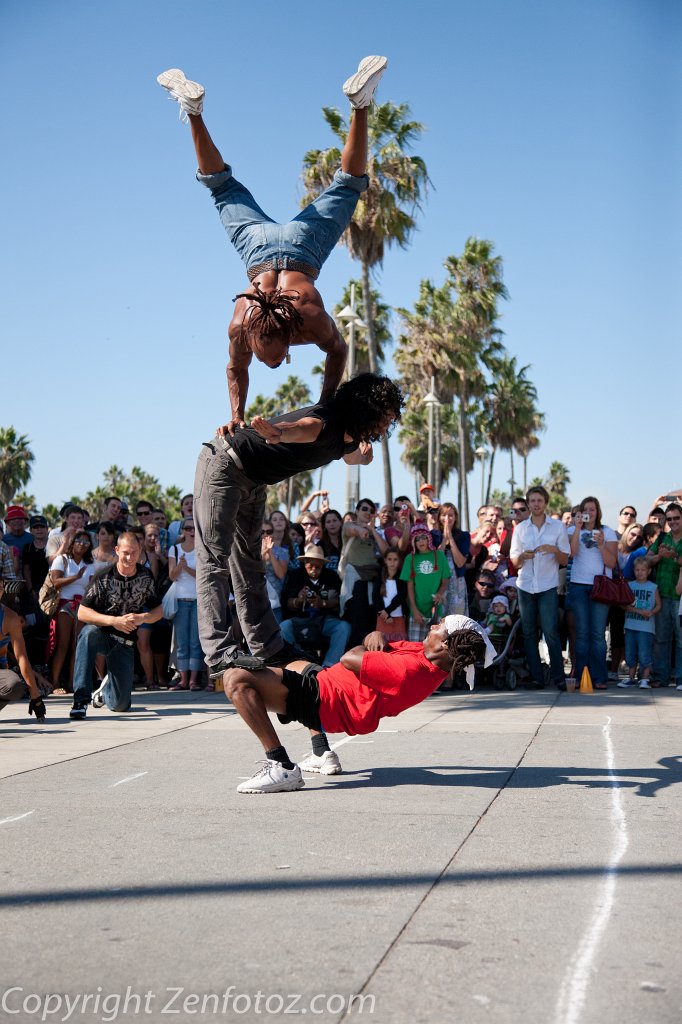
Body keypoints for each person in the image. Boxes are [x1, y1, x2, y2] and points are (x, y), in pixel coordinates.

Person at [157, 57, 387, 428]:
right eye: (271, 360)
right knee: (220, 186)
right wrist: (317, 404)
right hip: (262, 246)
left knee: (349, 183)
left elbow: (334, 351)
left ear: (291, 333)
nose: (270, 362)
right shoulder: (246, 325)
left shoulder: (292, 320)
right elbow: (240, 367)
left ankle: (360, 106)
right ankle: (194, 112)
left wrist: (323, 403)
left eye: (269, 359)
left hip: (297, 249)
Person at [193, 372, 404, 681]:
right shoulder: (327, 423)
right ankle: (219, 652)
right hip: (225, 465)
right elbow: (302, 429)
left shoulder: (346, 438)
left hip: (253, 480)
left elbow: (354, 457)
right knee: (214, 559)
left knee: (250, 565)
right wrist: (277, 432)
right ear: (367, 409)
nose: (387, 427)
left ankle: (267, 646)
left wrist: (365, 458)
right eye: (384, 419)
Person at [223, 616, 493, 794]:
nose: (433, 625)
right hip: (330, 686)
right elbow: (378, 645)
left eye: (439, 626)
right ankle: (321, 753)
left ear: (445, 643)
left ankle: (280, 766)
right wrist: (376, 635)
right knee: (291, 663)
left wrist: (373, 641)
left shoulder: (412, 670)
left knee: (236, 679)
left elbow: (350, 658)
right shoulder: (422, 654)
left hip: (325, 700)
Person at [69, 533, 163, 719]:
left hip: (125, 642)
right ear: (117, 550)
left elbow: (158, 611)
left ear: (140, 551)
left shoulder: (146, 576)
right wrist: (114, 621)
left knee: (121, 706)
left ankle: (106, 691)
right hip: (101, 634)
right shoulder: (103, 576)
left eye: (134, 553)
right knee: (87, 635)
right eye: (125, 553)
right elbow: (82, 613)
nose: (129, 558)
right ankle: (80, 700)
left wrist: (143, 617)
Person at [510, 485, 570, 691]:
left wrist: (553, 549)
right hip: (525, 585)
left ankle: (558, 677)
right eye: (532, 501)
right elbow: (514, 561)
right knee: (528, 633)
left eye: (539, 500)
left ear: (545, 503)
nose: (536, 504)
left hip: (547, 585)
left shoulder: (558, 527)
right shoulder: (520, 529)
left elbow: (565, 559)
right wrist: (523, 557)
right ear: (528, 504)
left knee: (550, 632)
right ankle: (537, 677)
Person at [566, 497, 618, 689]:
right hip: (579, 585)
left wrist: (602, 545)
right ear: (580, 512)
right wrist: (578, 528)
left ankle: (599, 677)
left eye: (592, 510)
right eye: (585, 509)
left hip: (600, 586)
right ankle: (580, 675)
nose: (589, 513)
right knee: (581, 633)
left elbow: (611, 563)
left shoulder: (608, 532)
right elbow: (571, 554)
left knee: (597, 634)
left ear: (598, 512)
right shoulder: (572, 530)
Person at [280, 544, 350, 667]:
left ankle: (329, 665)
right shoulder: (296, 575)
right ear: (304, 563)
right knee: (284, 627)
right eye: (310, 566)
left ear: (322, 564)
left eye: (318, 567)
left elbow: (336, 601)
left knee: (343, 627)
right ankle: (296, 662)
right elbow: (288, 602)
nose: (314, 569)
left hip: (324, 619)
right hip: (300, 619)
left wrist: (322, 603)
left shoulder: (331, 576)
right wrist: (299, 600)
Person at [48, 531, 96, 694]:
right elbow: (55, 582)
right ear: (72, 542)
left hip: (82, 606)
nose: (82, 544)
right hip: (65, 604)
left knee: (77, 646)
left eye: (86, 542)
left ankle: (73, 683)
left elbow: (91, 587)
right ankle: (54, 683)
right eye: (79, 540)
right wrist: (76, 577)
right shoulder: (62, 560)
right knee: (63, 644)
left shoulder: (90, 563)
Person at [0, 574, 47, 722]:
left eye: (0, 588)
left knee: (14, 686)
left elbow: (21, 657)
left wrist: (35, 696)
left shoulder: (10, 617)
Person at [647, 502, 682, 688]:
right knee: (661, 638)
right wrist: (660, 557)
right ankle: (660, 677)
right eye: (670, 519)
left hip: (680, 596)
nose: (673, 522)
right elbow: (647, 560)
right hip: (661, 594)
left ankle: (680, 678)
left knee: (681, 638)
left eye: (677, 518)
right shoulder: (662, 538)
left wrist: (675, 557)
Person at [168, 517, 204, 691]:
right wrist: (180, 566)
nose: (192, 531)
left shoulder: (202, 550)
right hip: (181, 600)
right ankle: (183, 680)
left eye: (195, 528)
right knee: (182, 642)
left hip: (198, 599)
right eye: (188, 528)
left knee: (196, 642)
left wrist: (185, 568)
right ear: (182, 531)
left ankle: (193, 680)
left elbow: (202, 577)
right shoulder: (174, 549)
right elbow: (172, 576)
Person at [400, 524, 450, 642]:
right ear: (413, 542)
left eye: (423, 537)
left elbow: (445, 581)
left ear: (429, 538)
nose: (421, 541)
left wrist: (439, 594)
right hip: (417, 612)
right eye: (417, 539)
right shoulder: (410, 558)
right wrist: (415, 611)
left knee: (435, 648)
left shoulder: (439, 556)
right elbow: (410, 587)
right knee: (415, 648)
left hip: (435, 612)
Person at [618, 557, 660, 689]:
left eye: (643, 570)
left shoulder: (653, 587)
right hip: (630, 625)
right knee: (630, 652)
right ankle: (630, 678)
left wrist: (652, 612)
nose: (640, 572)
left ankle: (644, 679)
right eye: (637, 570)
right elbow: (623, 604)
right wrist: (640, 612)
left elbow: (659, 605)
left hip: (646, 628)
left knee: (644, 653)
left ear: (649, 571)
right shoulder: (630, 586)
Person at [437, 503, 470, 616]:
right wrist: (444, 539)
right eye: (443, 515)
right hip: (438, 583)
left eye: (450, 515)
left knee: (456, 621)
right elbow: (436, 560)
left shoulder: (464, 536)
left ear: (455, 517)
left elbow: (460, 562)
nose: (447, 518)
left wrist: (450, 538)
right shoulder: (434, 535)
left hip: (457, 583)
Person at [372, 549, 408, 641]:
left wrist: (388, 611)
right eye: (389, 559)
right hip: (383, 617)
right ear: (385, 560)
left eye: (395, 559)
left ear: (399, 560)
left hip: (398, 617)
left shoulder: (402, 577)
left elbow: (401, 596)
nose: (392, 562)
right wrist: (385, 614)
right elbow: (375, 596)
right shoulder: (380, 577)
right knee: (382, 644)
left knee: (399, 645)